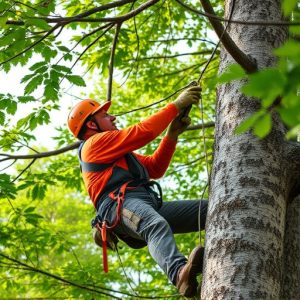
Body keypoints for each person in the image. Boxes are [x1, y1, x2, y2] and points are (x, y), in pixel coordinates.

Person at [67, 86, 207, 298]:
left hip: (142, 202)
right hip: (118, 205)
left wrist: (172, 135)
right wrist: (175, 106)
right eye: (105, 115)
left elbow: (154, 168)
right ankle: (179, 273)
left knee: (208, 210)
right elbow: (143, 132)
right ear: (91, 125)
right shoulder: (93, 144)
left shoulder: (119, 154)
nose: (113, 117)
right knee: (155, 225)